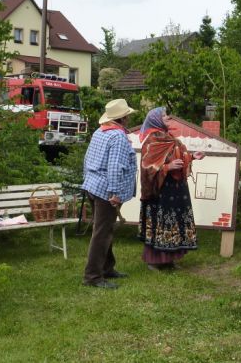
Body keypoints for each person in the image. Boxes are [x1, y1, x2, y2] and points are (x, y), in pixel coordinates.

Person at [138, 107, 204, 270]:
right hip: (161, 191)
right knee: (161, 223)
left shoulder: (169, 137)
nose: (168, 117)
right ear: (156, 120)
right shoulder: (152, 140)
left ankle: (169, 259)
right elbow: (147, 167)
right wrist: (167, 167)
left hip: (176, 189)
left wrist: (191, 157)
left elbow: (178, 156)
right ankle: (154, 260)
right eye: (164, 116)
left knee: (173, 223)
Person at [82, 99, 137, 289]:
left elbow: (87, 158)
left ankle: (107, 268)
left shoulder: (101, 131)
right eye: (127, 115)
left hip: (93, 186)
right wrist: (114, 193)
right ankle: (93, 277)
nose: (129, 117)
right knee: (102, 233)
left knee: (105, 229)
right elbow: (114, 167)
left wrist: (88, 181)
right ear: (122, 118)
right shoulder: (118, 137)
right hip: (106, 191)